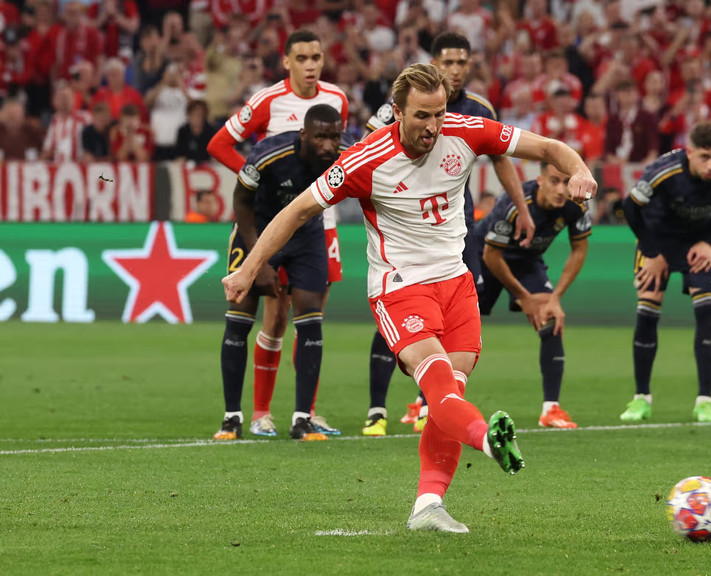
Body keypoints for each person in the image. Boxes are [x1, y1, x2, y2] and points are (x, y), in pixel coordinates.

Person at [222, 63, 597, 532]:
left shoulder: (467, 131)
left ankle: (427, 506)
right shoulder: (365, 160)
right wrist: (249, 267)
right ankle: (487, 440)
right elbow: (296, 211)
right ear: (397, 112)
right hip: (400, 288)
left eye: (439, 114)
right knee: (439, 387)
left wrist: (579, 169)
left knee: (449, 396)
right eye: (422, 116)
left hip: (457, 284)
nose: (433, 126)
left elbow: (548, 148)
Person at [361, 31, 534, 437]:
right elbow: (369, 152)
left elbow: (502, 158)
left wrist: (522, 208)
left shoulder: (478, 109)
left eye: (461, 62)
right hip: (405, 233)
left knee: (455, 317)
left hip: (456, 230)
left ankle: (431, 403)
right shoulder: (398, 109)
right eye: (448, 62)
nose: (455, 69)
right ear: (434, 63)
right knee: (399, 319)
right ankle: (377, 408)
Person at [207, 29, 349, 438]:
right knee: (273, 317)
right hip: (268, 220)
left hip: (318, 220)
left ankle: (307, 413)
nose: (310, 65)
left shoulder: (336, 98)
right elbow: (219, 144)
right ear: (287, 62)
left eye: (316, 57)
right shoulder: (268, 100)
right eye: (301, 58)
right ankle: (260, 412)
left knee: (311, 312)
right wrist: (257, 178)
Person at [621, 121, 711, 424]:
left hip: (699, 243)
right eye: (705, 157)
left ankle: (705, 402)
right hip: (657, 241)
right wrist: (652, 253)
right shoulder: (663, 171)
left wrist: (709, 240)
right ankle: (641, 398)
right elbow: (629, 207)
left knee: (707, 311)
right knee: (647, 310)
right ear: (690, 152)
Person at [475, 163, 592, 429]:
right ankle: (425, 406)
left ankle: (551, 410)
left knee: (551, 320)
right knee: (457, 328)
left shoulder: (576, 204)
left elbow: (579, 250)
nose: (561, 190)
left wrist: (555, 297)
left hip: (527, 261)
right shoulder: (514, 204)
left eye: (566, 182)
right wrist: (523, 296)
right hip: (485, 258)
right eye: (554, 181)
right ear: (540, 180)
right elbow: (492, 255)